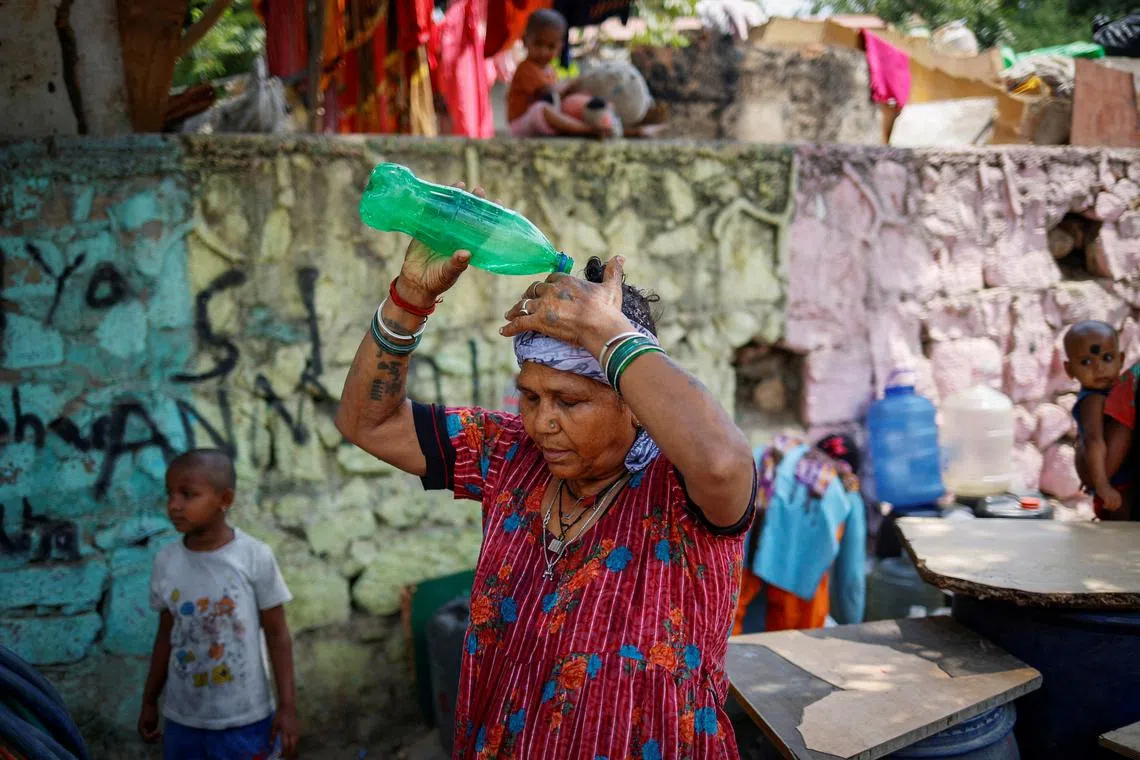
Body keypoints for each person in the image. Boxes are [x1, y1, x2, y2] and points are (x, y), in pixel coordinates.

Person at [335, 184, 757, 759]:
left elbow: (726, 462)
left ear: (632, 403)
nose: (542, 424)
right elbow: (368, 423)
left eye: (569, 400)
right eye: (530, 397)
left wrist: (605, 332)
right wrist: (410, 298)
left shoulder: (679, 493)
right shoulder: (510, 457)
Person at [138, 449, 299, 758]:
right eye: (169, 494)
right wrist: (149, 700)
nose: (174, 505)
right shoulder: (166, 561)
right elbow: (165, 637)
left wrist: (288, 708)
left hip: (244, 719)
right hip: (183, 719)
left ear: (225, 499)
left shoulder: (253, 556)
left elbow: (278, 634)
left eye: (188, 495)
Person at [507, 10, 604, 138]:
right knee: (541, 109)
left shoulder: (550, 71)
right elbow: (549, 93)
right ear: (525, 41)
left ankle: (604, 126)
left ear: (560, 49)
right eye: (538, 44)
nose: (543, 51)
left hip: (543, 122)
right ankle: (584, 129)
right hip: (521, 124)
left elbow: (557, 98)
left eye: (551, 47)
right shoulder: (526, 68)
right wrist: (570, 82)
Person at [1064, 320, 1125, 513]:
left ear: (1121, 359)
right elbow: (1094, 442)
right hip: (1112, 484)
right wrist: (1102, 487)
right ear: (1069, 370)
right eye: (1086, 362)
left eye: (1107, 358)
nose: (1099, 368)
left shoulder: (1112, 392)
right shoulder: (1094, 400)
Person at [1080, 358, 1140, 521]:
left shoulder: (1132, 380)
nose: (1099, 368)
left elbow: (1098, 470)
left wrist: (1100, 484)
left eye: (1107, 358)